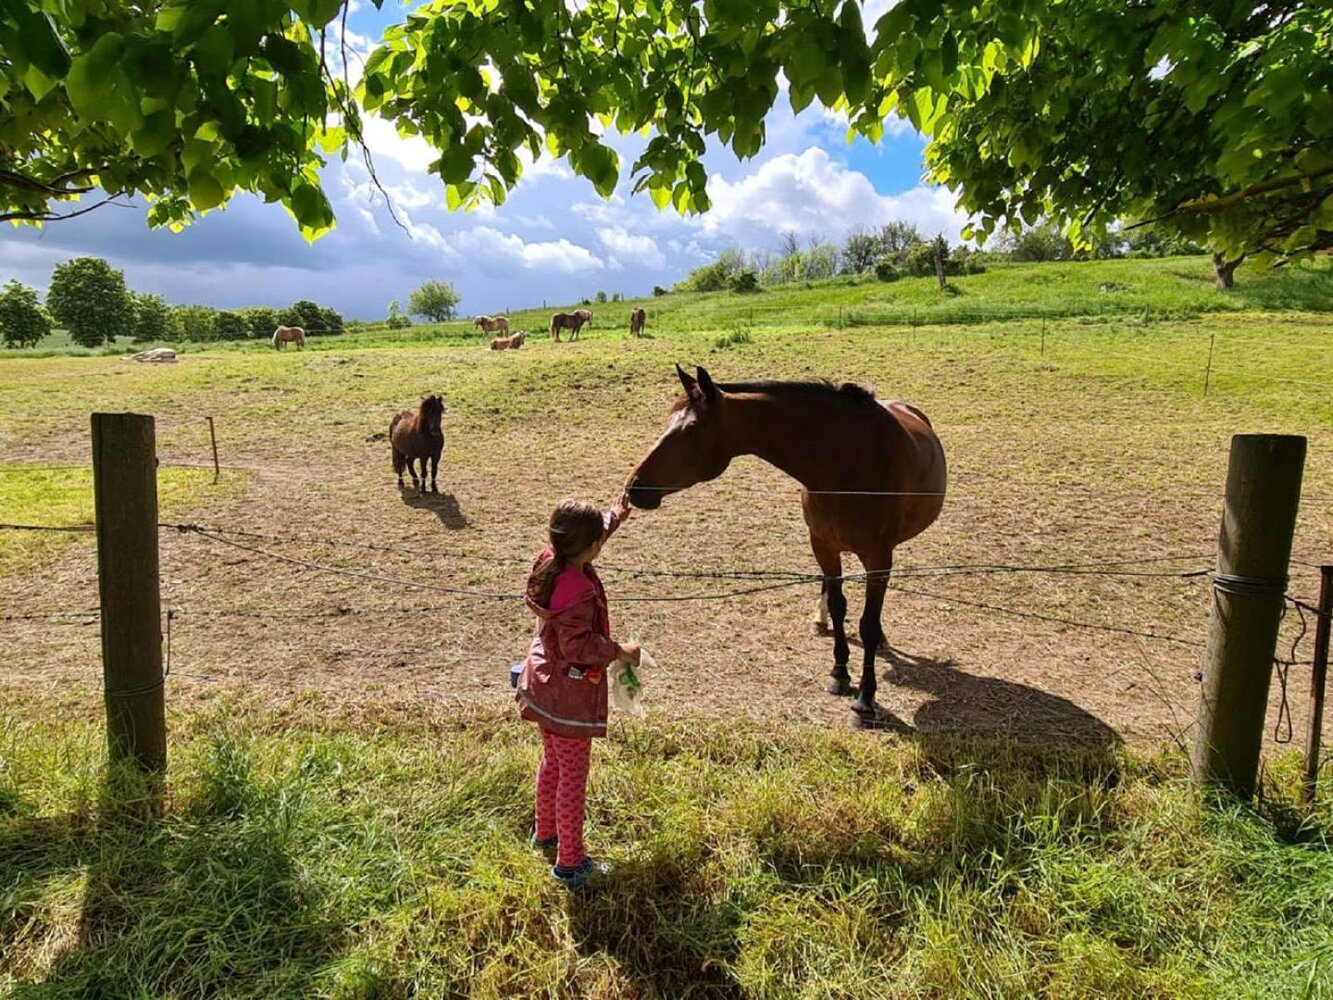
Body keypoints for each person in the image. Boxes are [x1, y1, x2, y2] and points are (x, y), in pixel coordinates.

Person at [516, 495, 641, 888]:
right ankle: (570, 863)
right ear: (591, 547)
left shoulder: (551, 559)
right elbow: (577, 646)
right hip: (568, 695)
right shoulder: (579, 591)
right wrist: (619, 651)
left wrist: (614, 517)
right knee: (573, 778)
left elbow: (585, 538)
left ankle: (545, 834)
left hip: (542, 683)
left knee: (552, 763)